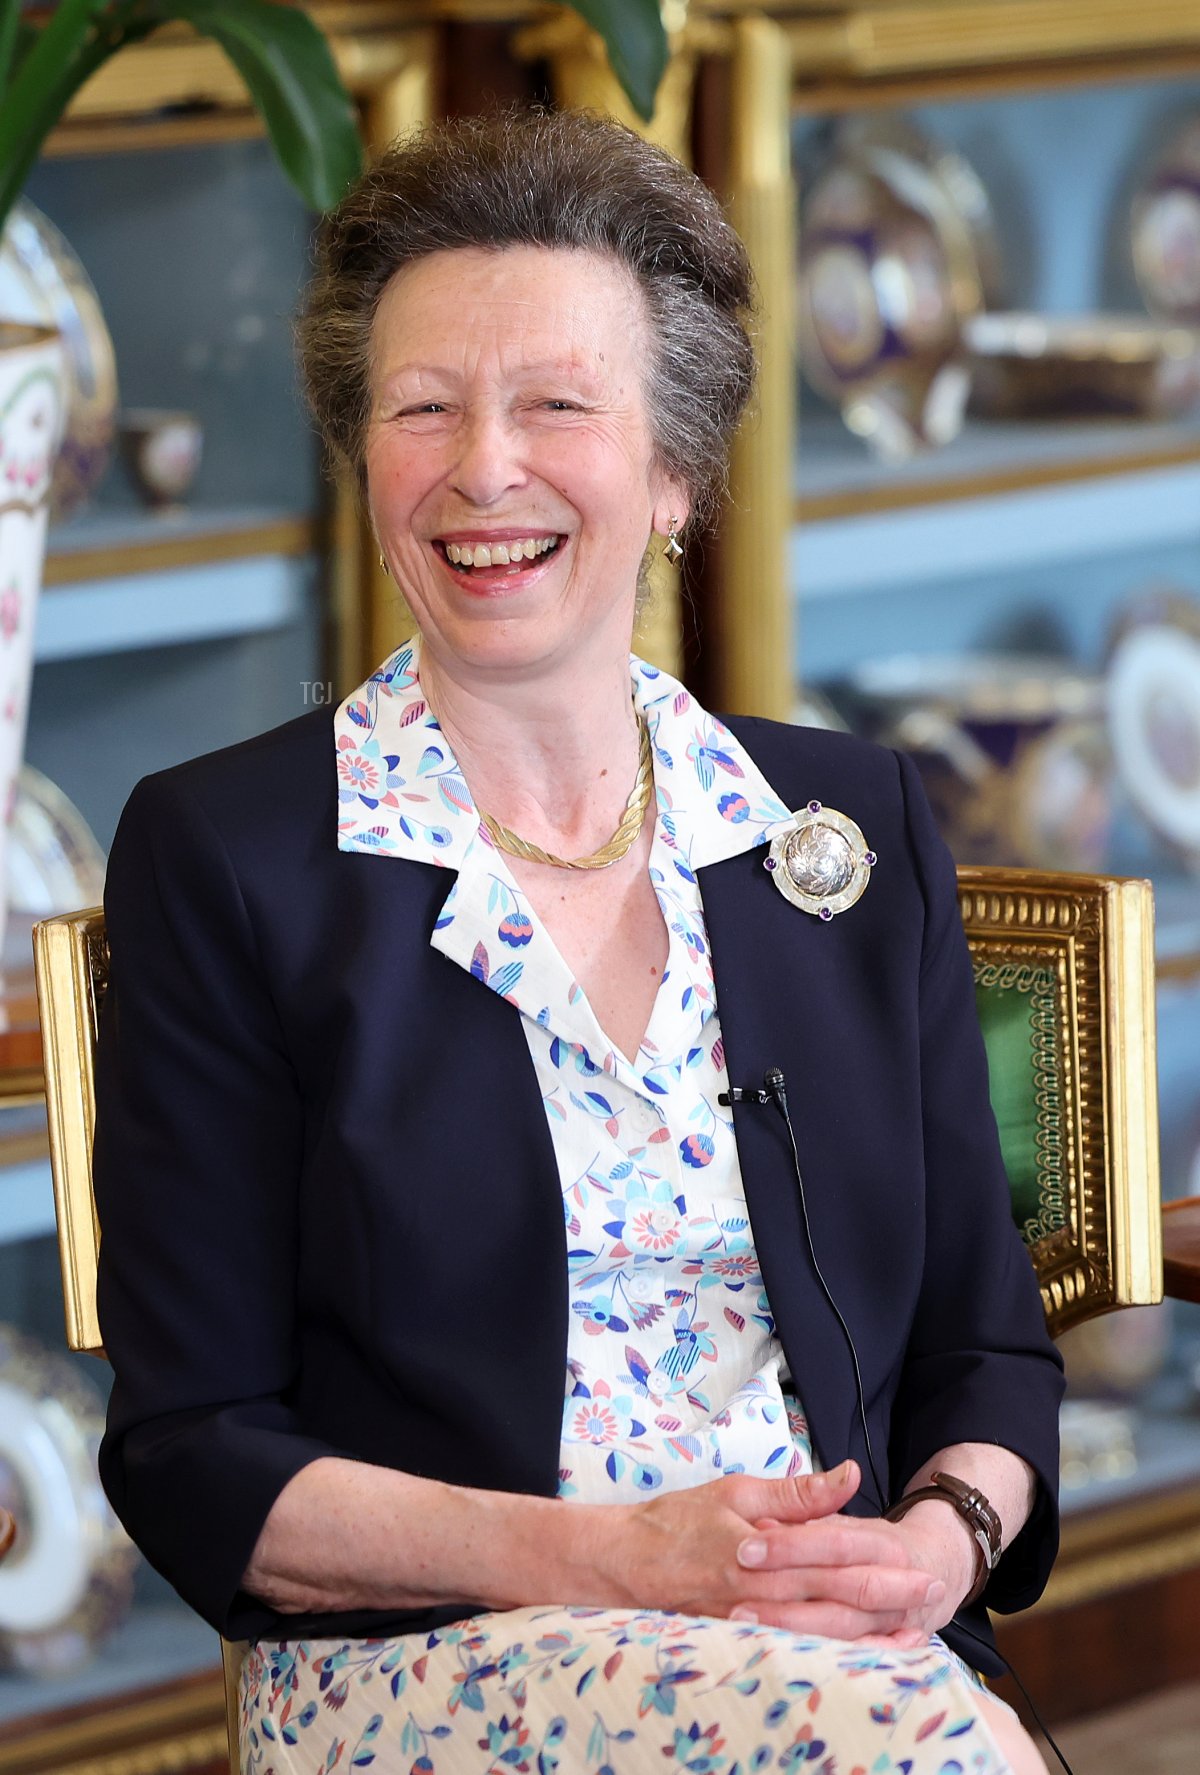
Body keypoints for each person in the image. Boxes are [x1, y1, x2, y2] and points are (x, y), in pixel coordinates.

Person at [93, 109, 1063, 1775]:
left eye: (557, 404)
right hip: (435, 1659)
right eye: (424, 408)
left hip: (850, 1639)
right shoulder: (231, 855)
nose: (485, 468)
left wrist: (935, 1548)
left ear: (676, 467)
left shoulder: (844, 828)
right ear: (362, 456)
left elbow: (984, 1343)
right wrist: (614, 1558)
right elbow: (196, 1454)